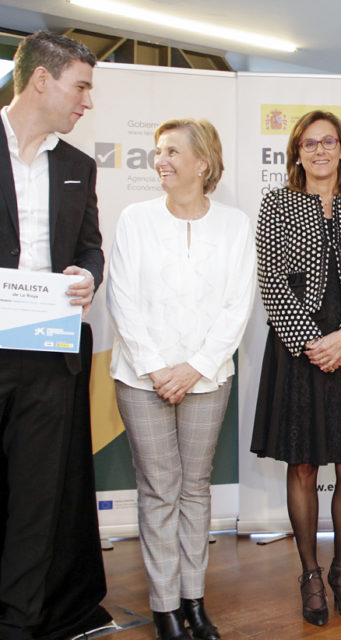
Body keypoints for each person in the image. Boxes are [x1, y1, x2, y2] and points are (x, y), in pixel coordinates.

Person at [107, 118, 255, 640]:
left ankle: (194, 600)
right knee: (159, 489)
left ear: (203, 162)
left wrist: (194, 367)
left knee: (194, 488)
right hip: (141, 377)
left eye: (172, 151)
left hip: (207, 377)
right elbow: (121, 299)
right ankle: (164, 606)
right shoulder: (135, 219)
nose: (160, 160)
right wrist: (155, 368)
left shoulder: (235, 225)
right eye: (158, 151)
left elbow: (239, 305)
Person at [251, 110, 341, 626]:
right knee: (305, 464)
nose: (319, 150)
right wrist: (313, 343)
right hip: (300, 349)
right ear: (297, 152)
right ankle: (310, 574)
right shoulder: (277, 205)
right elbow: (270, 280)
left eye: (328, 141)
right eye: (309, 143)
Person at [0, 30, 112, 640]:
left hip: (49, 350)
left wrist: (86, 275)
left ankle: (19, 622)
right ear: (41, 80)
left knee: (37, 500)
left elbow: (92, 247)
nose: (87, 102)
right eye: (81, 86)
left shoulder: (78, 166)